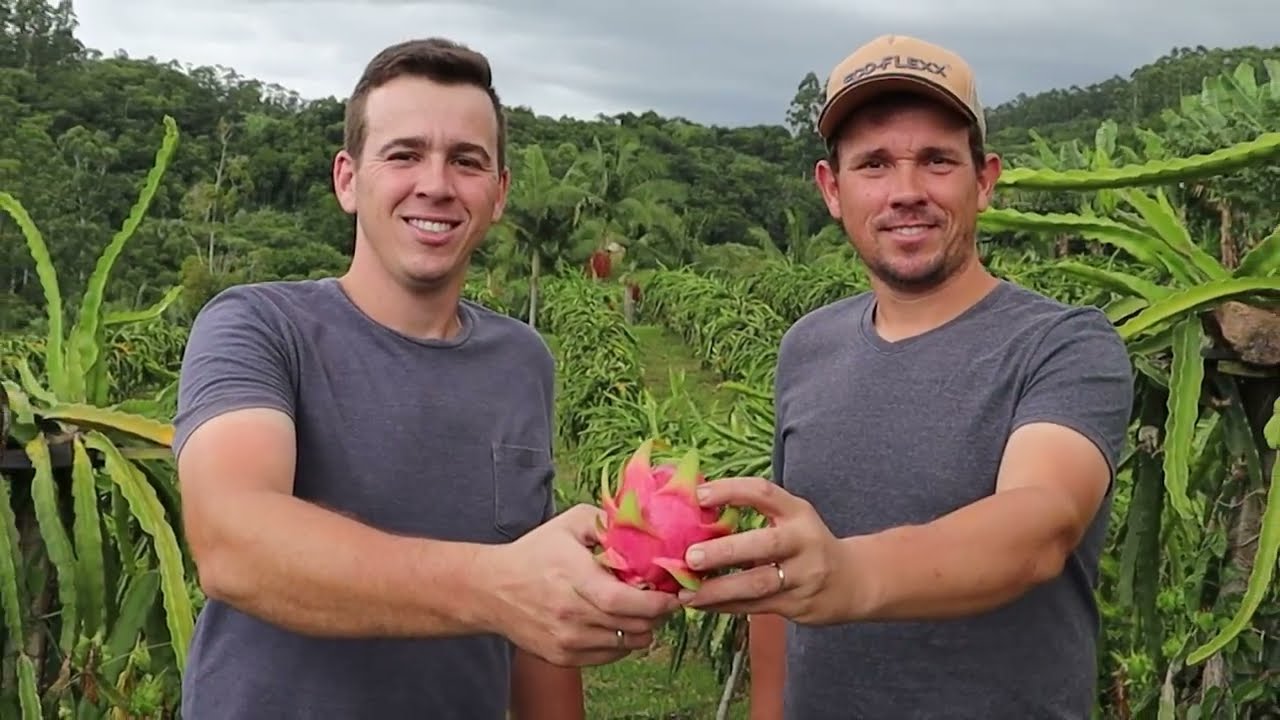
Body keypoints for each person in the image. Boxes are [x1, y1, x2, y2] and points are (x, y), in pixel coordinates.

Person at [171, 37, 679, 720]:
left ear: (498, 194)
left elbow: (533, 611)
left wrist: (537, 596)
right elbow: (233, 540)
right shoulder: (259, 326)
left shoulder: (522, 360)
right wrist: (495, 585)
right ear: (347, 179)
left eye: (466, 161)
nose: (435, 184)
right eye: (404, 153)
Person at [676, 34, 1135, 719]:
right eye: (874, 164)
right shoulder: (808, 346)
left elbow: (1039, 526)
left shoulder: (1062, 344)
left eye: (937, 161)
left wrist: (851, 573)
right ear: (832, 189)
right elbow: (784, 563)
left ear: (985, 179)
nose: (906, 192)